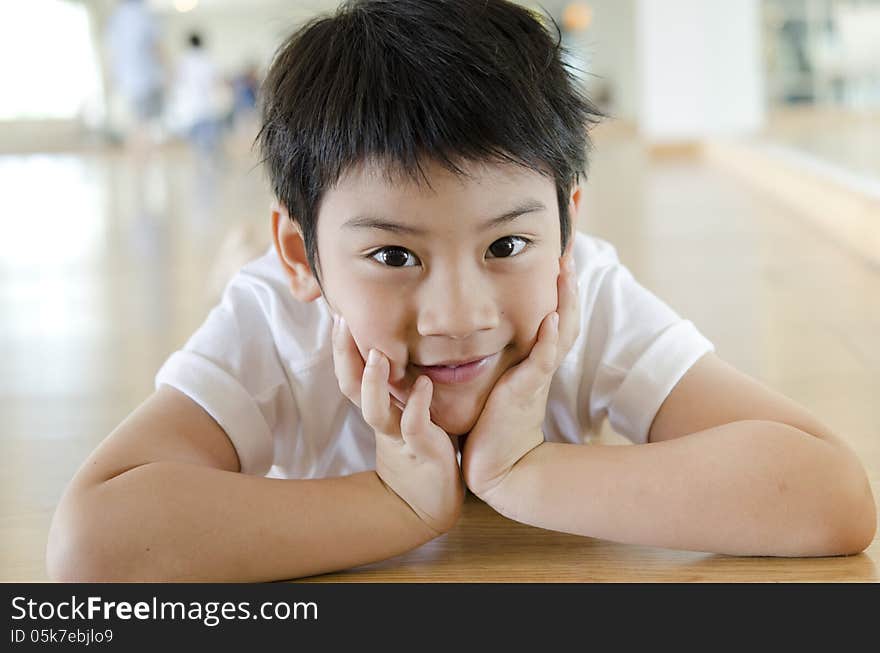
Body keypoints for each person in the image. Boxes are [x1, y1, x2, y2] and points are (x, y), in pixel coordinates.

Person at [47, 0, 875, 582]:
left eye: (506, 244)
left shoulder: (583, 290)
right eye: (395, 256)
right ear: (301, 254)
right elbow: (92, 545)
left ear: (566, 233)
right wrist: (394, 503)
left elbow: (829, 493)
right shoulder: (275, 312)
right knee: (237, 274)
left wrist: (526, 471)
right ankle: (244, 251)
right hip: (275, 285)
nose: (459, 318)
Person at [104, 0, 165, 150]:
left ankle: (138, 165)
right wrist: (169, 71)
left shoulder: (115, 18)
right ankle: (142, 163)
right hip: (146, 79)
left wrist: (111, 78)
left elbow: (112, 53)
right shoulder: (143, 14)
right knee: (144, 126)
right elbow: (156, 46)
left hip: (126, 82)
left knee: (136, 126)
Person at [169, 32, 225, 159]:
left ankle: (198, 167)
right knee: (207, 145)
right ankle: (207, 168)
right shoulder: (208, 60)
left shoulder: (182, 60)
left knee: (193, 146)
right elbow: (217, 82)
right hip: (205, 108)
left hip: (186, 110)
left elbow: (174, 82)